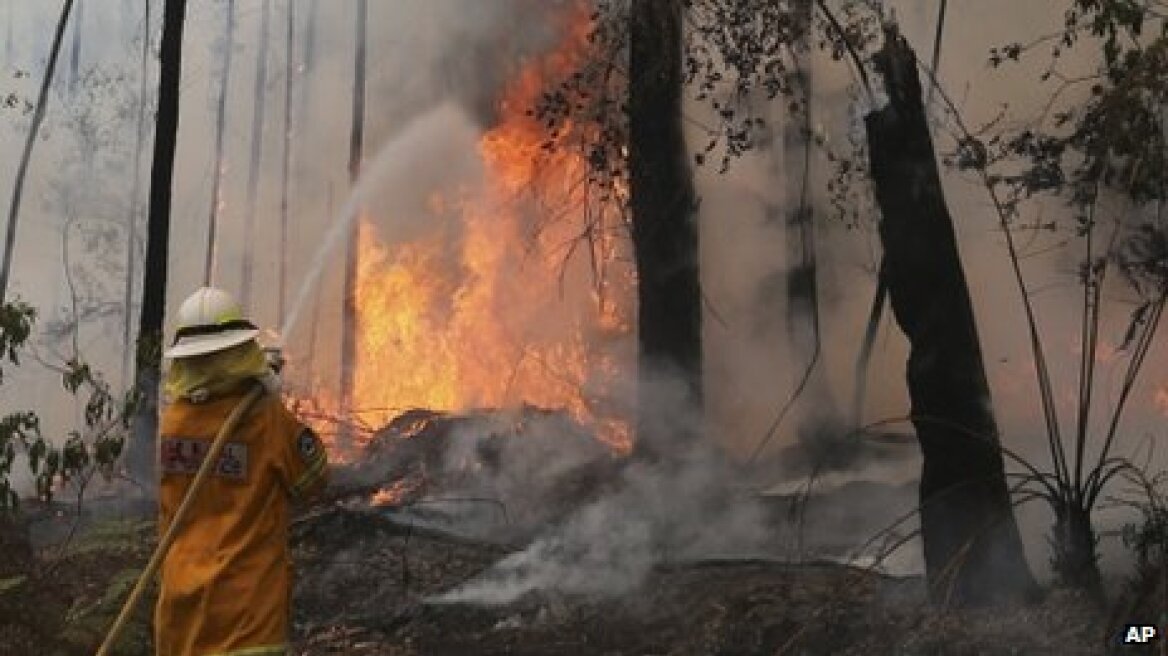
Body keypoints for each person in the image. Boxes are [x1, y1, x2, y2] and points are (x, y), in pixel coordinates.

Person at [155, 287, 328, 656]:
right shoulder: (264, 419)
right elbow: (314, 479)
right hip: (246, 621)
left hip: (180, 616)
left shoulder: (173, 423)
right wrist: (270, 395)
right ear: (239, 350)